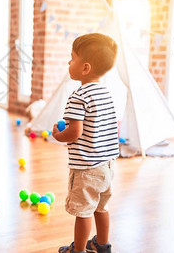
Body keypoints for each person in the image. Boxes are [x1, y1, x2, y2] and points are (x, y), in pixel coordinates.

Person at [52, 33, 119, 253]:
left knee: (83, 211)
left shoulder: (78, 96)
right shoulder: (105, 93)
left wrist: (59, 135)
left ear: (85, 68)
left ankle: (78, 250)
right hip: (107, 166)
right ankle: (102, 245)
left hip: (87, 168)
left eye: (72, 58)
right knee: (102, 206)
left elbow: (75, 132)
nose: (68, 62)